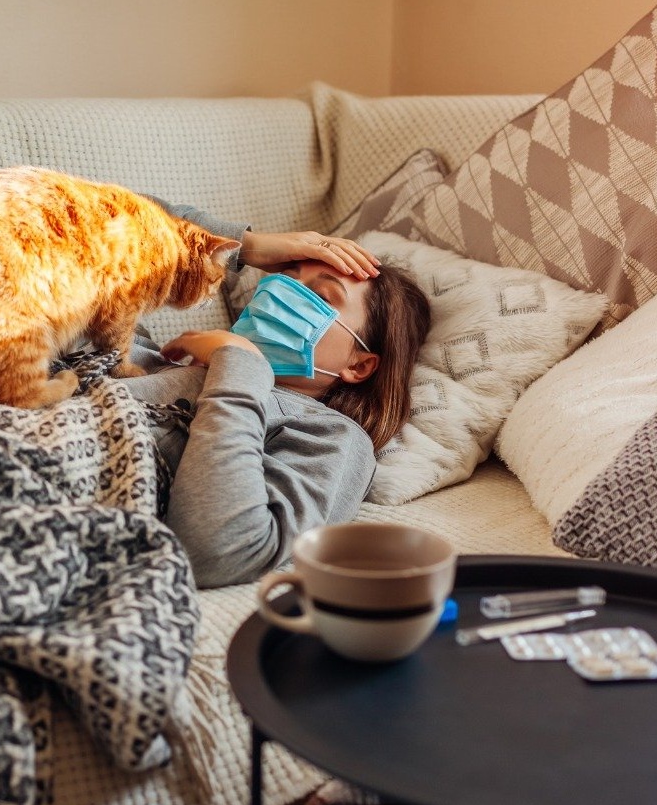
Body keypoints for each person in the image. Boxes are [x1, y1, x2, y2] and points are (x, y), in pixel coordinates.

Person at [121, 203, 431, 587]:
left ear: (360, 365)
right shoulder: (138, 348)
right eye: (287, 276)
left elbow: (219, 552)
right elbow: (83, 221)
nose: (282, 291)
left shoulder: (331, 436)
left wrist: (238, 366)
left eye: (323, 295)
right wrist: (245, 246)